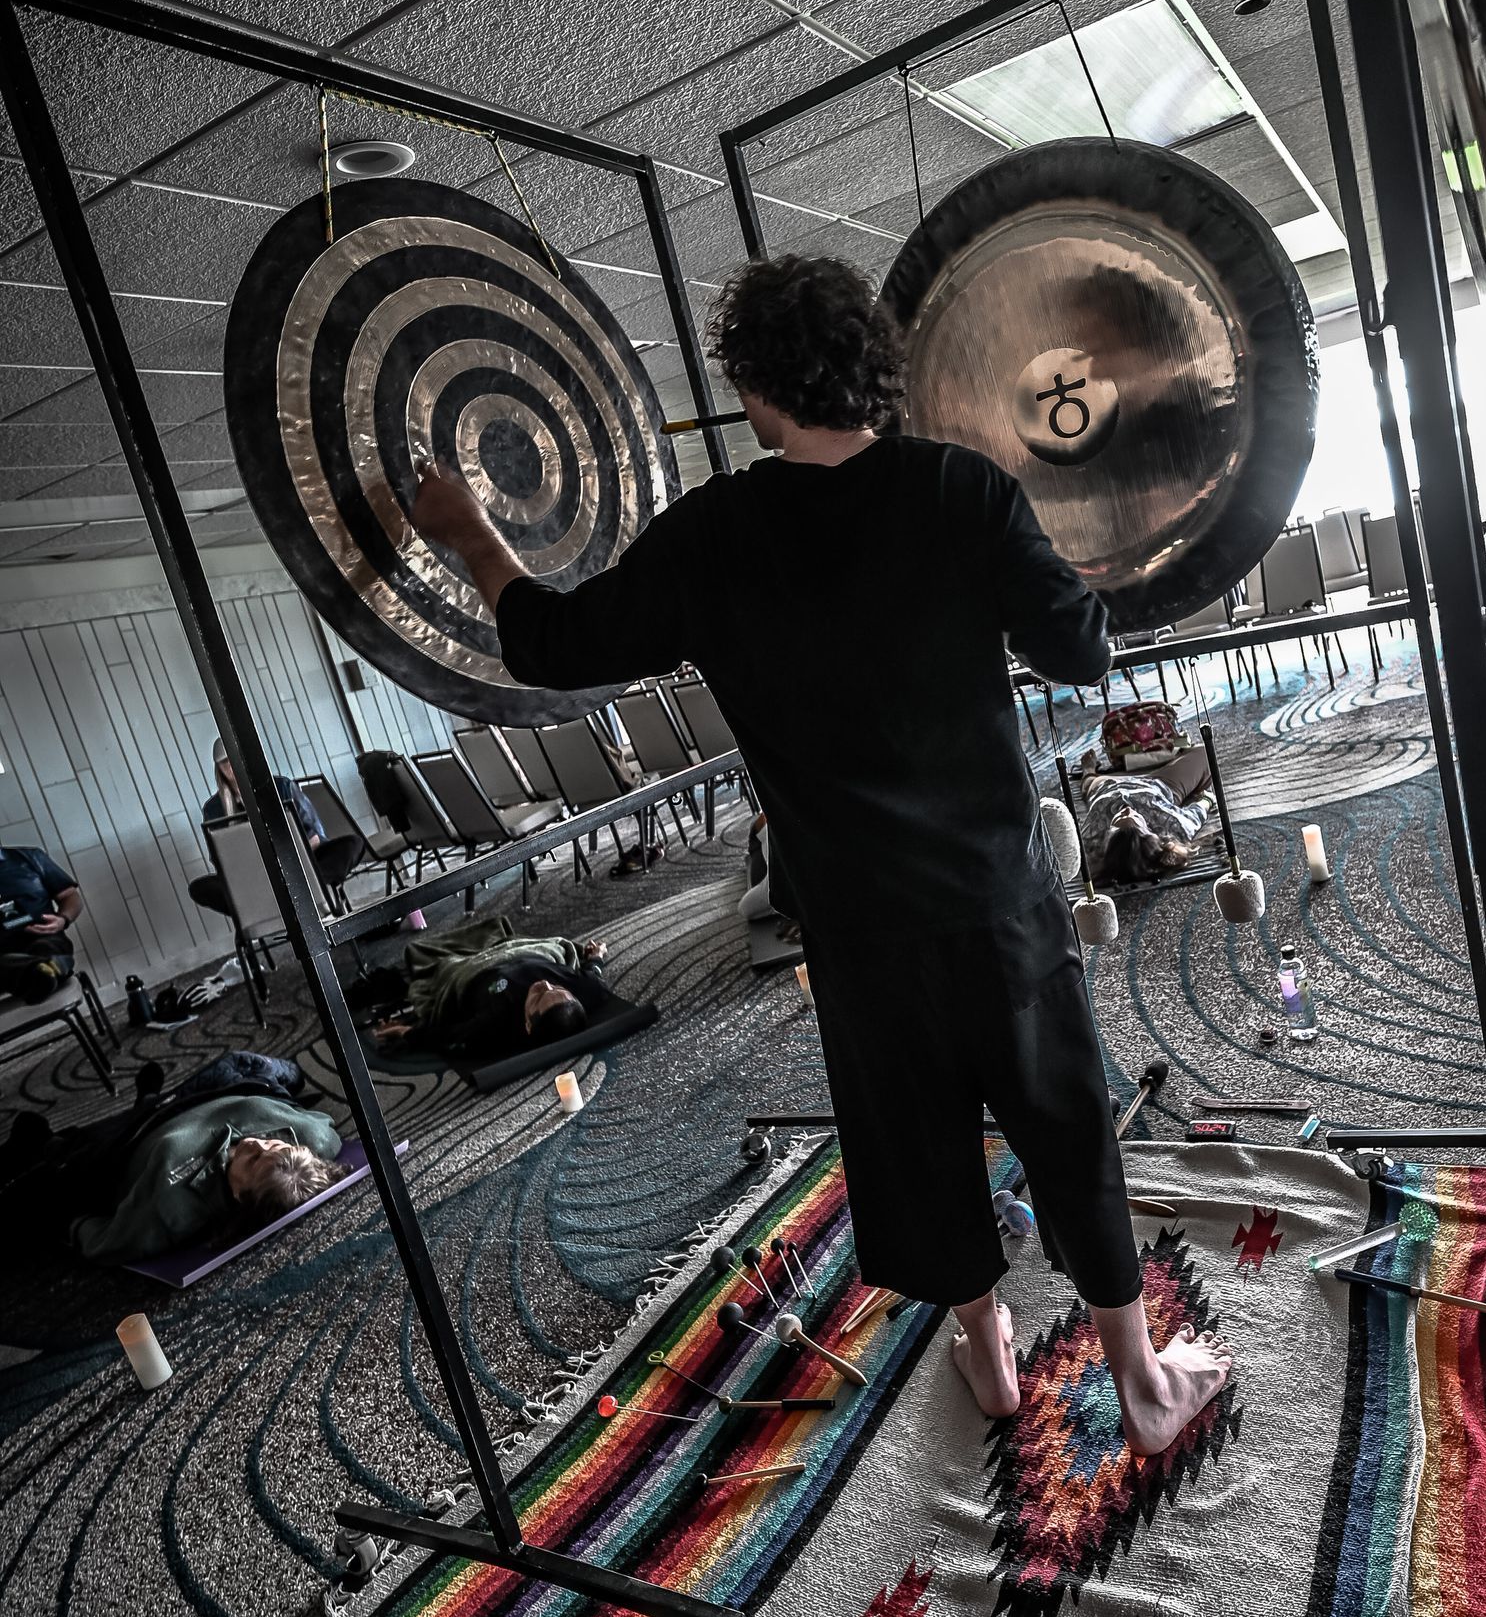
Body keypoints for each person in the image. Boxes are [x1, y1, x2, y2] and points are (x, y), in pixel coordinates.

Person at [406, 252, 1229, 1458]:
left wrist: (472, 531)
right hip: (997, 896)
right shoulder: (962, 489)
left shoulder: (717, 531)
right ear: (874, 371)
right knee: (1063, 1120)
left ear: (755, 388)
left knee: (914, 1135)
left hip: (853, 917)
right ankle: (1142, 1380)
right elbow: (1082, 652)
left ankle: (990, 1352)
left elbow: (552, 643)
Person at [0, 1051, 340, 1264]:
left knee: (49, 1167)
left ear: (239, 1196)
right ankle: (147, 1100)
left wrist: (70, 1223)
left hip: (130, 1139)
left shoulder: (173, 1206)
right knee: (258, 1067)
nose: (256, 1144)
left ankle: (45, 1142)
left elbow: (105, 1242)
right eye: (274, 1145)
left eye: (252, 1161)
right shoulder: (312, 1138)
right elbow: (325, 1131)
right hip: (213, 1092)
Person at [356, 909, 639, 1064]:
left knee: (422, 955)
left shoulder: (495, 1023)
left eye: (540, 996)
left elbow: (449, 1037)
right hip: (527, 951)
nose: (544, 984)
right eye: (557, 989)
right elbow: (593, 973)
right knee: (500, 929)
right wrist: (596, 955)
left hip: (474, 971)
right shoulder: (585, 991)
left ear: (528, 1023)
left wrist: (407, 1032)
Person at [188, 752, 366, 916]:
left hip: (301, 866)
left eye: (234, 758)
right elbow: (220, 860)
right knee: (200, 888)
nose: (231, 765)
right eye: (225, 762)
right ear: (218, 768)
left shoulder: (282, 786)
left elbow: (315, 835)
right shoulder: (214, 809)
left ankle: (294, 891)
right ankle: (281, 896)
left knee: (353, 845)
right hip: (255, 878)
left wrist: (288, 859)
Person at [0, 845, 84, 1003]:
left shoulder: (31, 857)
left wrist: (63, 919)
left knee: (47, 947)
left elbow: (70, 896)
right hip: (3, 956)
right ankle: (44, 970)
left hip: (44, 939)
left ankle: (43, 971)